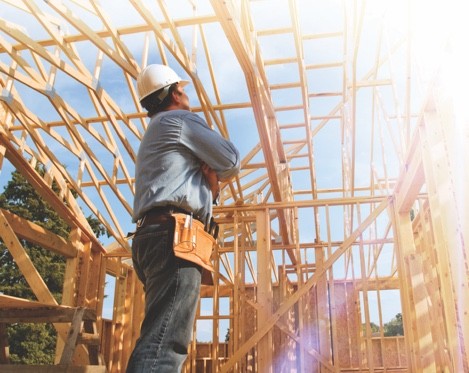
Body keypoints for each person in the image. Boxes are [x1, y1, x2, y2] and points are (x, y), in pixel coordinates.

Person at [126, 64, 240, 372]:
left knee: (156, 338)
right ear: (175, 94)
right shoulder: (179, 120)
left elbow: (180, 187)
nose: (186, 92)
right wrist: (216, 170)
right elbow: (230, 160)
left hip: (155, 236)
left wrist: (211, 189)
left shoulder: (157, 131)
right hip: (174, 239)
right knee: (165, 345)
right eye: (182, 88)